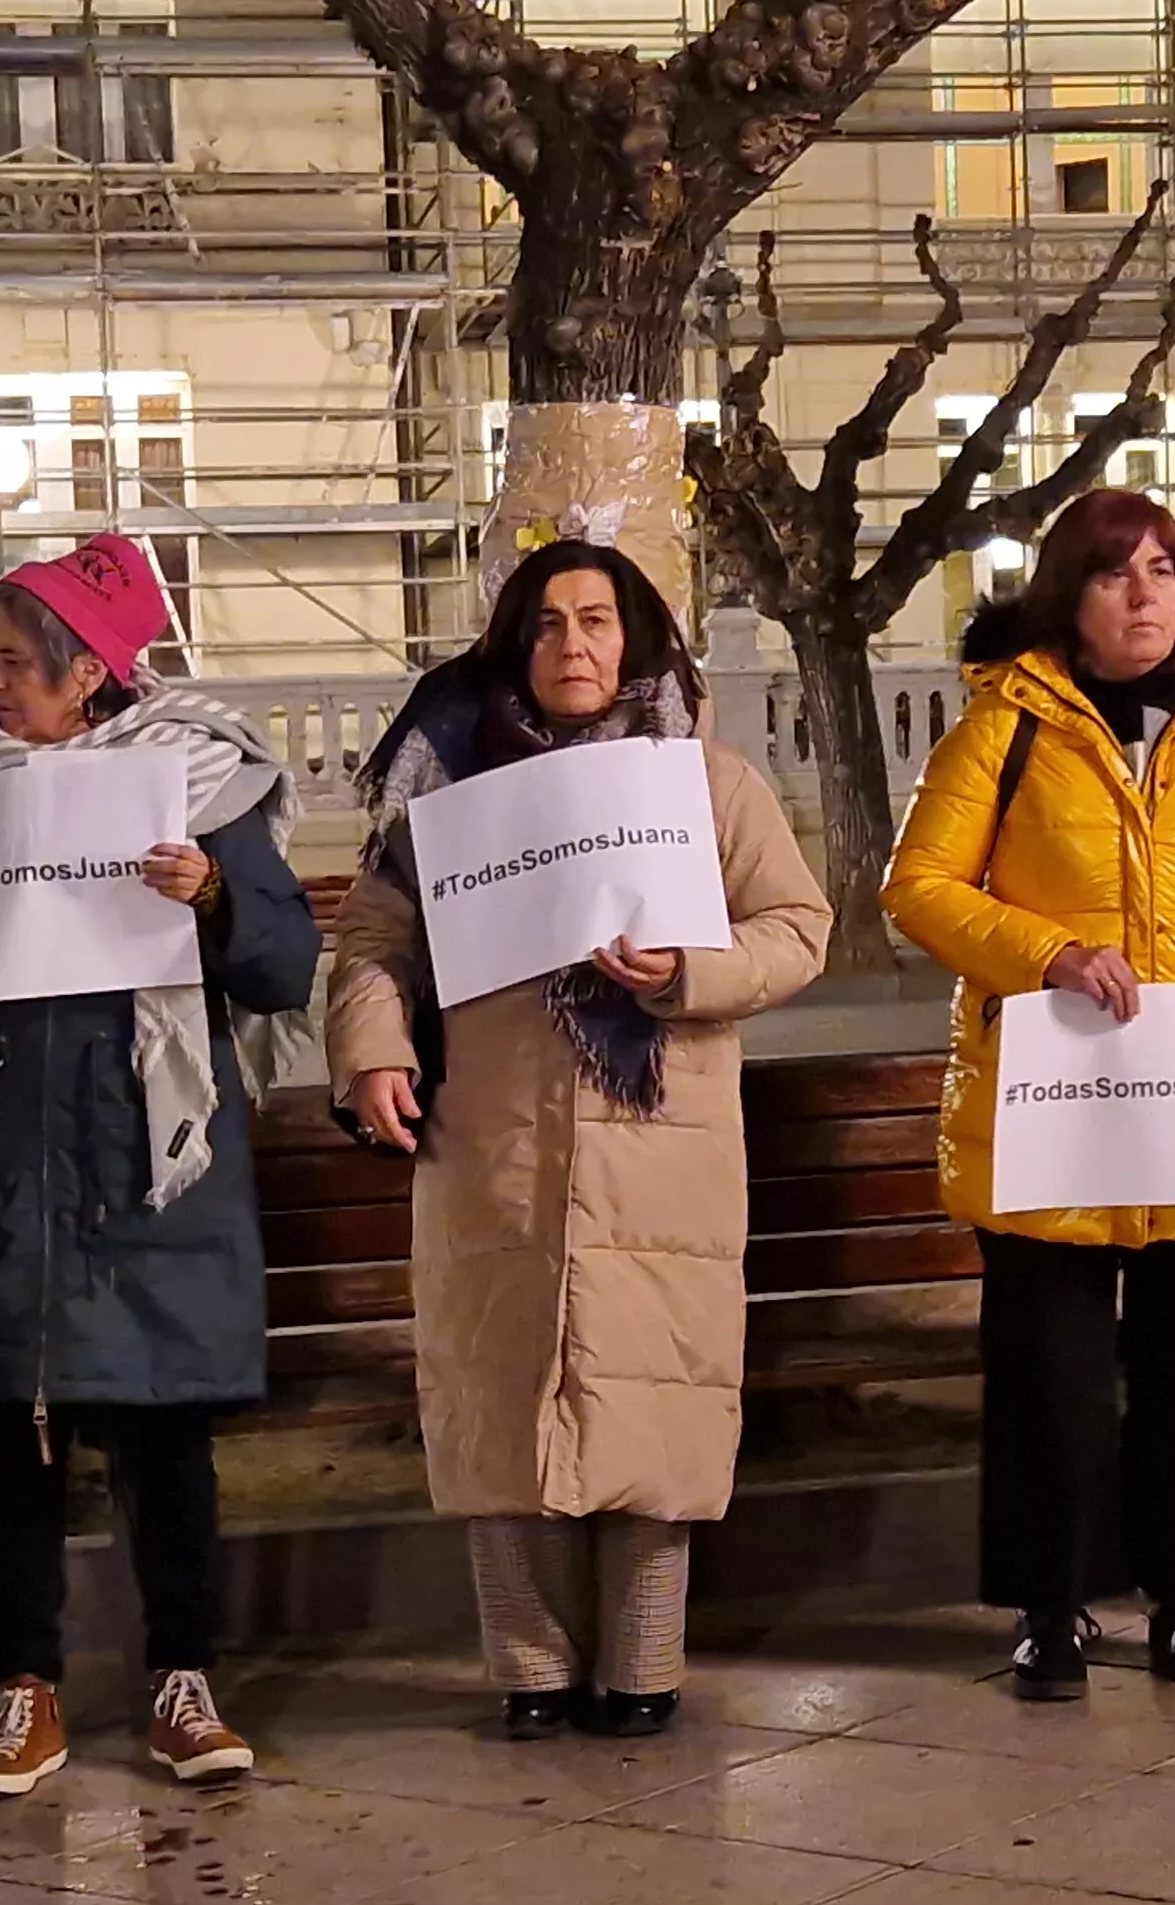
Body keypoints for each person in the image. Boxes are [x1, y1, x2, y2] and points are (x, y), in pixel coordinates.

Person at [327, 539, 829, 1740]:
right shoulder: (446, 792)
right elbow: (372, 947)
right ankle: (531, 1669)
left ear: (635, 636)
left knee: (653, 1394)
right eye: (547, 624)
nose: (573, 646)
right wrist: (375, 1049)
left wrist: (687, 974)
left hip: (662, 1141)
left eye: (597, 620)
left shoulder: (705, 784)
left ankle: (646, 1663)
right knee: (503, 1400)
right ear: (515, 642)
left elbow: (796, 925)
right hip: (494, 1140)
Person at [0, 533, 320, 1795]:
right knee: (24, 1430)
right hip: (7, 1162)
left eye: (14, 659)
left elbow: (283, 969)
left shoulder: (196, 787)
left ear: (88, 670)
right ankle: (26, 1685)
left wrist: (215, 895)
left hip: (152, 1156)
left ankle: (184, 1680)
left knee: (168, 1438)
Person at [884, 489, 1175, 1699]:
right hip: (1054, 1098)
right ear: (1066, 598)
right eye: (1113, 574)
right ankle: (1052, 1607)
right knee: (1052, 1370)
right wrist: (1043, 952)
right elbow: (919, 884)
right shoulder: (1006, 724)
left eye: (1160, 570)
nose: (1145, 594)